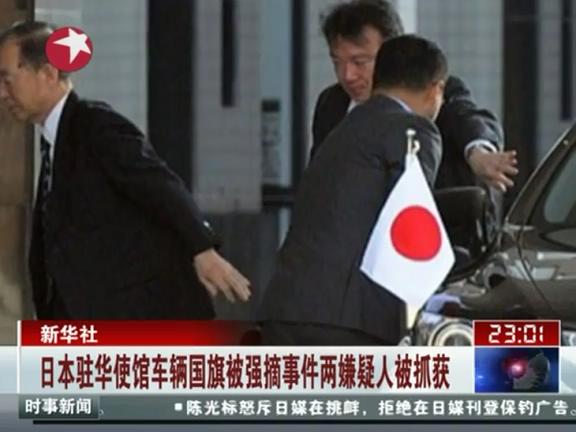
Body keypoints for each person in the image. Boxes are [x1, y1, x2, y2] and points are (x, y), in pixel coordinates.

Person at [0, 21, 251, 319]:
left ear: (48, 73)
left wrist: (203, 249)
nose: (3, 93)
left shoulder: (95, 126)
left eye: (7, 79)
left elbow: (159, 185)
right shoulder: (54, 143)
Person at [259, 34, 446, 345]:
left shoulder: (345, 128)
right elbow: (411, 218)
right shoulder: (412, 129)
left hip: (285, 310)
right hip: (349, 319)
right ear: (435, 89)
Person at [311, 0, 518, 194]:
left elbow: (468, 118)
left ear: (392, 54)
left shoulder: (429, 89)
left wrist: (478, 153)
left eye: (360, 62)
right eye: (337, 62)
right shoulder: (332, 103)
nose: (348, 75)